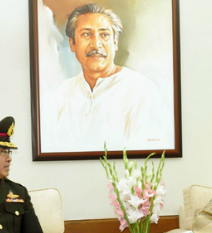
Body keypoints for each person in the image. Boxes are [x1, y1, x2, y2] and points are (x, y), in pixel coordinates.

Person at [46, 3, 172, 152]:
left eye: (104, 35)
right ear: (72, 44)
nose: (96, 44)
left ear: (115, 43)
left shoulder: (142, 92)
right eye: (86, 34)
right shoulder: (61, 94)